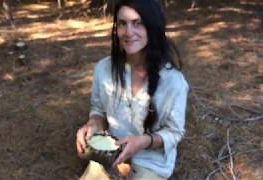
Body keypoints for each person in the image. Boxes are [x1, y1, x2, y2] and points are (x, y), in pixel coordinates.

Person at [76, 0, 189, 179]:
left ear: (152, 26)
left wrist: (143, 141)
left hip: (151, 161)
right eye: (122, 23)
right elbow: (98, 111)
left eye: (138, 23)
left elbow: (174, 132)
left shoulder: (173, 82)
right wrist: (93, 125)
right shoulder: (103, 69)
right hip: (109, 155)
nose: (128, 32)